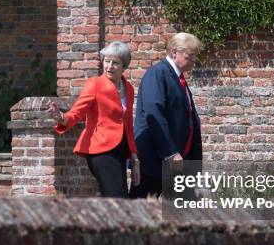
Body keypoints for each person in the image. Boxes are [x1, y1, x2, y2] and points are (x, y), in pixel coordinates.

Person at [48, 41, 141, 197]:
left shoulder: (129, 88)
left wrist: (134, 158)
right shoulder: (95, 84)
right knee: (119, 200)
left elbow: (128, 125)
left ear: (124, 66)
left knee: (111, 199)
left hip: (120, 150)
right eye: (107, 61)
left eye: (115, 63)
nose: (109, 66)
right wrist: (62, 117)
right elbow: (77, 112)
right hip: (100, 149)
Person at [129, 32, 203, 198]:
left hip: (179, 163)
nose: (194, 60)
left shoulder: (178, 78)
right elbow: (153, 114)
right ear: (174, 52)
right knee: (140, 210)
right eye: (190, 55)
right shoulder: (158, 73)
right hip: (157, 160)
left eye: (195, 55)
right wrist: (170, 152)